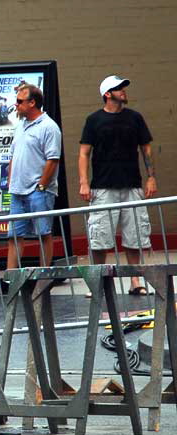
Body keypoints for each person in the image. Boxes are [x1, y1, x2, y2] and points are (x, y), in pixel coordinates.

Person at [78, 75, 157, 295]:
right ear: (107, 94)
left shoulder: (135, 118)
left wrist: (151, 177)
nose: (123, 90)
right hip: (103, 187)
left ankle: (135, 281)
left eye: (123, 87)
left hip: (132, 185)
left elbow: (146, 148)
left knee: (135, 237)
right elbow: (84, 153)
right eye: (118, 88)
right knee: (100, 238)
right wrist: (84, 183)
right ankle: (98, 284)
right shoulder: (94, 120)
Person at [5, 83, 62, 272]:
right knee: (14, 235)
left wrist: (41, 186)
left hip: (38, 190)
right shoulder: (20, 126)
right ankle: (10, 278)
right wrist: (11, 179)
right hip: (17, 190)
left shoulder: (49, 127)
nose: (16, 105)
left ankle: (44, 276)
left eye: (20, 102)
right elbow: (14, 154)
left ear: (32, 103)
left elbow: (52, 159)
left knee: (43, 234)